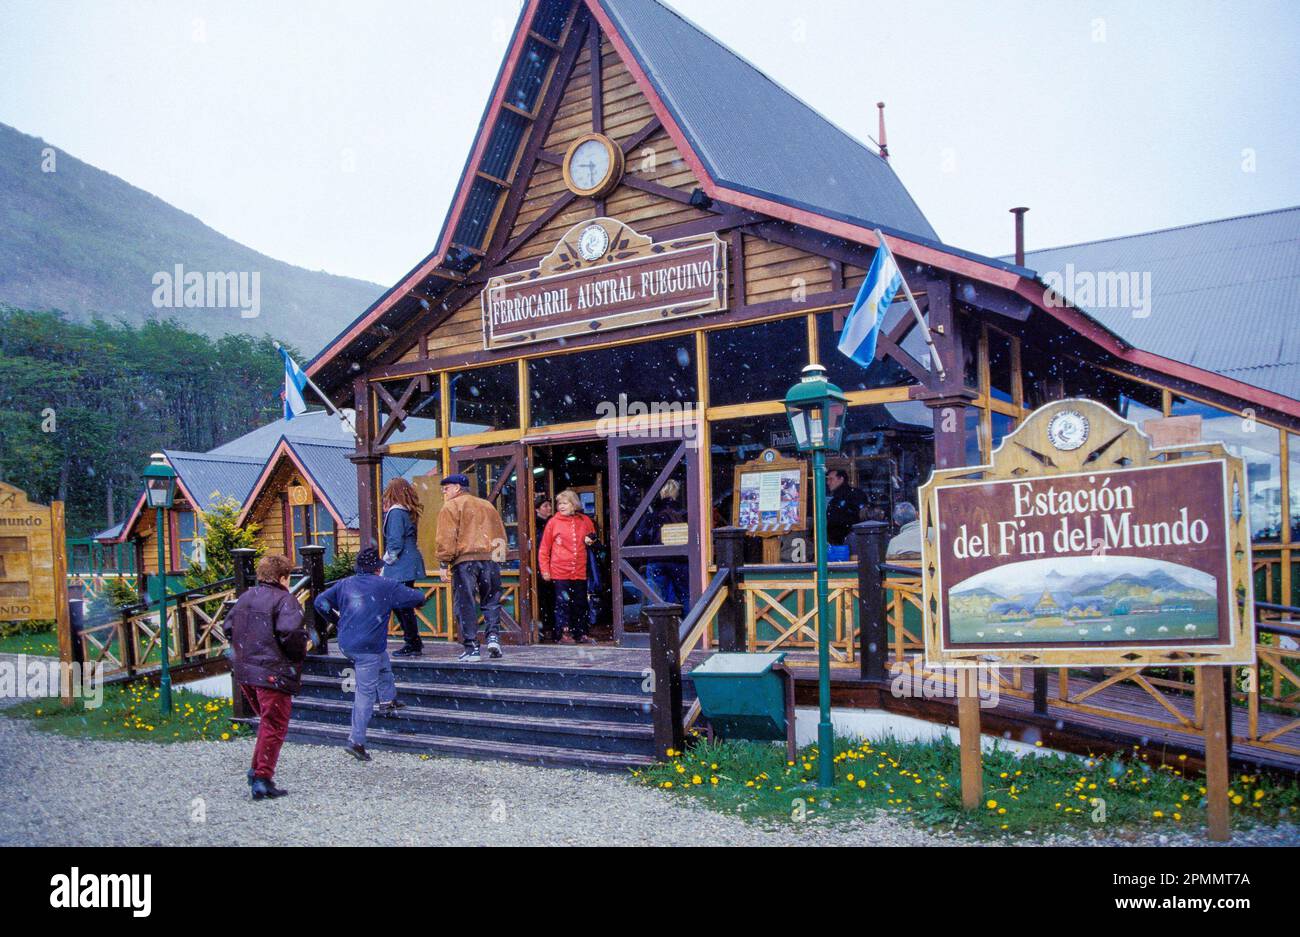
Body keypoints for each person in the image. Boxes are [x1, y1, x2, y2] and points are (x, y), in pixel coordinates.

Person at [313, 548, 425, 761]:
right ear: (378, 568)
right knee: (364, 692)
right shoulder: (387, 585)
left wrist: (338, 622)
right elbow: (418, 598)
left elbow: (320, 602)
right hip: (367, 647)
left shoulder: (345, 584)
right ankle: (356, 742)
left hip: (348, 643)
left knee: (382, 659)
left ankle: (388, 699)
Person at [225, 554, 309, 800]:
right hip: (272, 672)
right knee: (274, 725)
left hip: (245, 671)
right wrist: (296, 655)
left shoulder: (245, 598)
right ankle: (262, 777)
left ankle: (256, 771)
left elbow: (228, 628)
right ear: (283, 577)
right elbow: (291, 633)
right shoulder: (285, 600)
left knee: (266, 722)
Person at [435, 473, 508, 662]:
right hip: (490, 560)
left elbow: (446, 538)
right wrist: (498, 558)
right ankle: (493, 637)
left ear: (458, 488)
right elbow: (500, 534)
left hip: (464, 561)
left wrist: (443, 562)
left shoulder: (450, 506)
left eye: (447, 487)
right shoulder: (487, 505)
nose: (444, 491)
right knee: (491, 600)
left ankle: (472, 648)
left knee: (465, 603)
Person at [539, 489, 598, 644]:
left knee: (580, 602)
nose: (561, 506)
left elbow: (593, 537)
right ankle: (563, 633)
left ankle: (581, 633)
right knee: (562, 603)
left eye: (565, 503)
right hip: (560, 571)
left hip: (579, 569)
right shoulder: (553, 522)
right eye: (559, 503)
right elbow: (544, 548)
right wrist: (545, 570)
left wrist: (592, 539)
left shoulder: (584, 520)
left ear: (574, 504)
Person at [381, 477, 427, 658]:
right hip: (411, 562)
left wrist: (386, 562)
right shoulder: (409, 511)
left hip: (401, 564)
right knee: (403, 603)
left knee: (400, 604)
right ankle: (413, 641)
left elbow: (395, 542)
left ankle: (412, 642)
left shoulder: (396, 513)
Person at [641, 479, 690, 607]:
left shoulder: (653, 514)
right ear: (677, 493)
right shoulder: (683, 513)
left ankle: (663, 626)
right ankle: (689, 626)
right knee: (686, 597)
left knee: (658, 601)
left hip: (657, 560)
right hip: (679, 560)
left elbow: (640, 537)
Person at [534, 494, 557, 642]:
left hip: (554, 563)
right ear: (537, 509)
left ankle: (552, 627)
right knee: (543, 599)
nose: (549, 508)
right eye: (545, 506)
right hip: (540, 564)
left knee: (553, 598)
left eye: (549, 505)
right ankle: (545, 627)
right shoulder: (533, 524)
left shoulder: (554, 522)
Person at [825, 468, 869, 547]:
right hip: (836, 542)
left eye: (831, 479)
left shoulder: (855, 495)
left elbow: (861, 517)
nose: (828, 482)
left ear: (841, 479)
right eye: (828, 480)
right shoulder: (834, 499)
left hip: (851, 541)